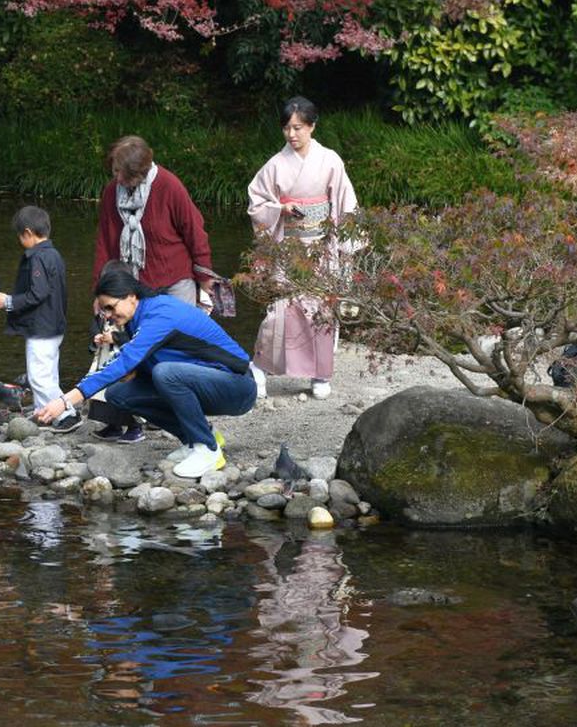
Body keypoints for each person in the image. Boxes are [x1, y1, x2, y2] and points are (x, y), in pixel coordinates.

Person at [35, 269, 257, 479]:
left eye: (111, 307)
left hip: (238, 387)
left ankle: (207, 451)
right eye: (105, 311)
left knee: (166, 373)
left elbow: (124, 362)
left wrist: (66, 401)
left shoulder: (161, 313)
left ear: (131, 296)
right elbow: (131, 363)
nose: (109, 316)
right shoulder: (137, 319)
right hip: (208, 384)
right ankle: (197, 437)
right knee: (119, 393)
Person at [247, 96, 359, 400]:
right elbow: (256, 203)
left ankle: (320, 374)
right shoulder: (275, 165)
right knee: (281, 311)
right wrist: (280, 209)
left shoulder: (331, 160)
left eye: (298, 127)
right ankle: (259, 367)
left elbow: (345, 204)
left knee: (321, 308)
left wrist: (344, 246)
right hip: (289, 247)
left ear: (312, 126)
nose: (291, 134)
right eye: (286, 128)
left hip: (322, 245)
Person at [0, 206, 82, 434]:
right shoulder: (54, 254)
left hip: (42, 327)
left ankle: (66, 415)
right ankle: (44, 410)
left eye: (20, 236)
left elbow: (38, 293)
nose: (20, 241)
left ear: (28, 233)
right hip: (56, 324)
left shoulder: (37, 257)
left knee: (38, 376)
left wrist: (8, 301)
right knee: (49, 371)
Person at [93, 135, 214, 307]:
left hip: (176, 282)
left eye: (123, 173)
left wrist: (204, 276)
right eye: (115, 171)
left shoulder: (169, 185)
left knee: (181, 332)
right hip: (134, 284)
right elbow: (104, 243)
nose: (118, 178)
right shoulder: (111, 192)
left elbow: (194, 232)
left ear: (139, 172)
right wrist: (100, 290)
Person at [86, 260, 145, 444]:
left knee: (124, 389)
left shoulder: (132, 308)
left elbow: (139, 338)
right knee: (102, 390)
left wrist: (116, 338)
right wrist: (96, 335)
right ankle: (113, 425)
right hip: (105, 354)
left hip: (124, 357)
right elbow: (95, 323)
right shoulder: (103, 305)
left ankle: (135, 427)